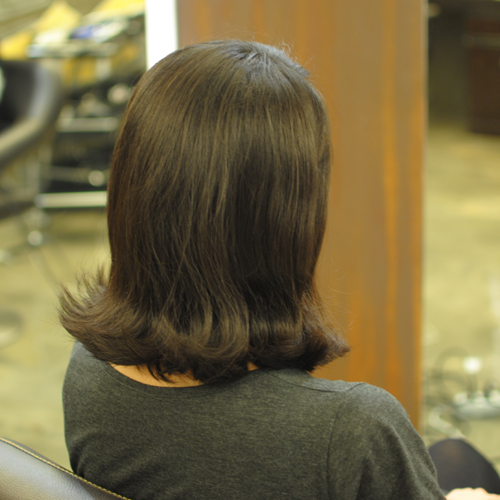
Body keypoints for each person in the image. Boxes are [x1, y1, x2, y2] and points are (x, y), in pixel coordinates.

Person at [60, 39, 497, 500]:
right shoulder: (350, 432)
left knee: (452, 455)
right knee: (464, 464)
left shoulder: (88, 370)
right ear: (286, 218)